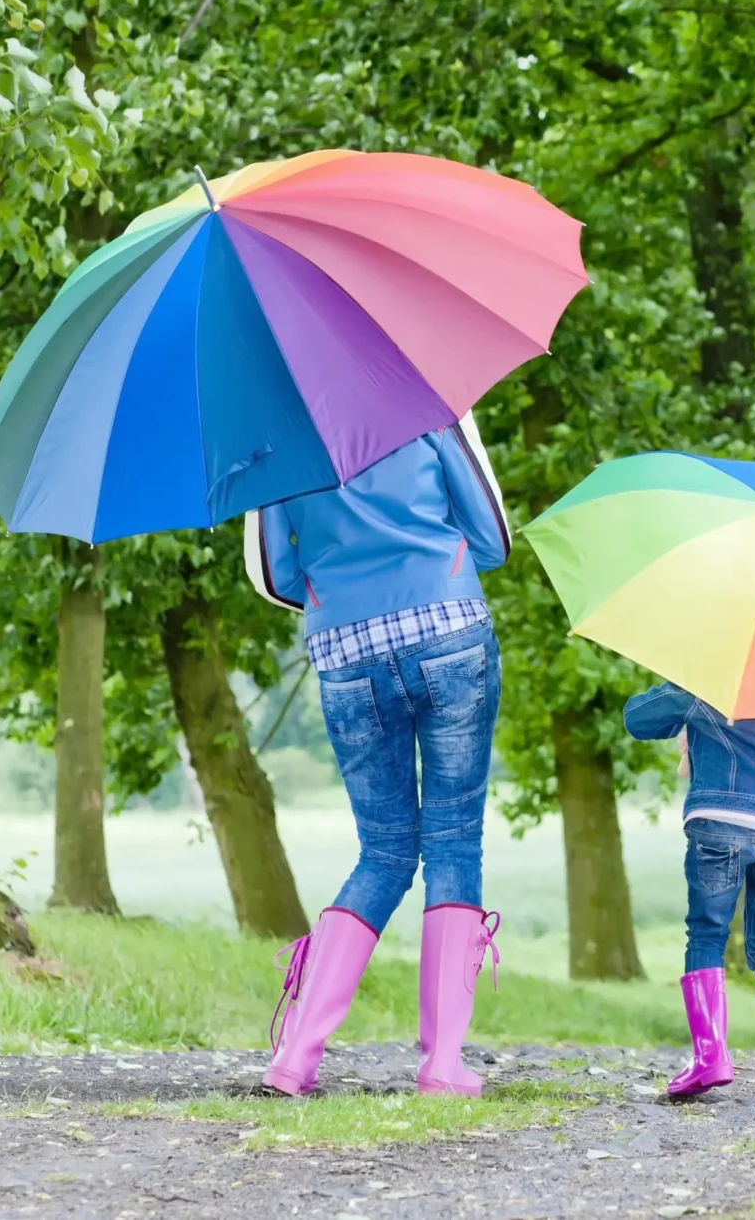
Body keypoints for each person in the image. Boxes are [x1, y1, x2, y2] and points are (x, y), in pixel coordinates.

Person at [250, 419, 509, 1099]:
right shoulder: (427, 402)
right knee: (453, 843)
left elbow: (278, 573)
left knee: (384, 851)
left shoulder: (272, 432)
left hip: (343, 648)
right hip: (449, 631)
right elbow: (491, 538)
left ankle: (296, 1055)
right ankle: (443, 1064)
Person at [623, 680, 755, 1102]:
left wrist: (686, 705)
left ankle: (710, 1057)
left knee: (706, 934)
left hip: (720, 818)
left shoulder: (709, 676)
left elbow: (638, 719)